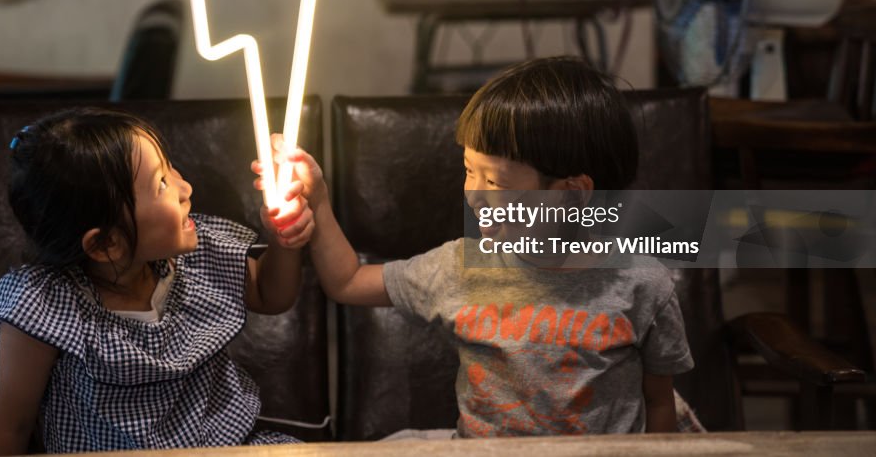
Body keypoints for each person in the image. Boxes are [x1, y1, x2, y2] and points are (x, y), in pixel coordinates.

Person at [256, 56, 697, 437]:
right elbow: (348, 280)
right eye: (470, 170)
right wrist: (319, 199)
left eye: (495, 181)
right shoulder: (461, 267)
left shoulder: (643, 284)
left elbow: (659, 402)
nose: (474, 194)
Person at [0, 107, 312, 455]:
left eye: (170, 166)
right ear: (106, 243)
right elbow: (11, 429)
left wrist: (283, 241)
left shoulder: (196, 257)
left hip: (228, 447)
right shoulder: (42, 308)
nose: (185, 187)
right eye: (162, 183)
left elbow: (269, 294)